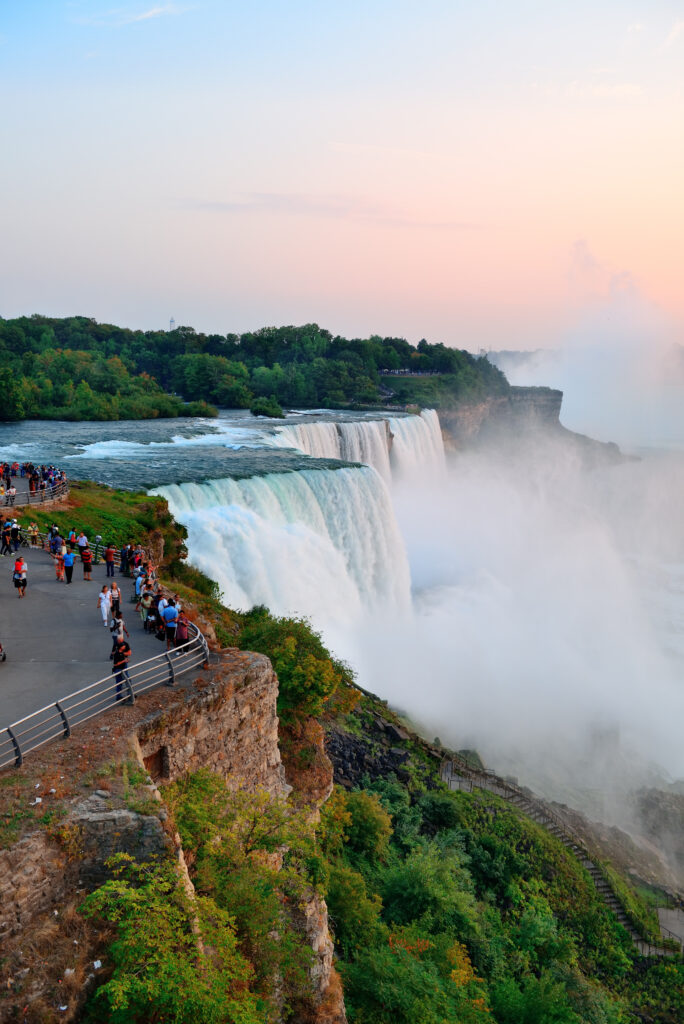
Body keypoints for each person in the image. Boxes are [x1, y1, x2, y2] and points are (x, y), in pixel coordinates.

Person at [111, 636, 132, 702]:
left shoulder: (122, 653)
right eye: (123, 646)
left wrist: (125, 660)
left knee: (127, 680)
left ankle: (130, 693)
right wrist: (124, 661)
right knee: (119, 683)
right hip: (118, 669)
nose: (124, 646)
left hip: (123, 667)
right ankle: (118, 696)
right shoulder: (118, 654)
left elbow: (129, 653)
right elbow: (116, 664)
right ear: (121, 647)